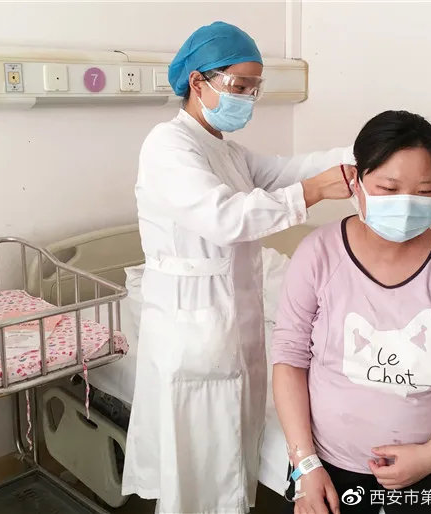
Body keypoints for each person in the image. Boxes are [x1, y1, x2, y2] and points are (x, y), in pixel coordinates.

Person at [122, 21, 356, 514]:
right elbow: (225, 217)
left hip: (232, 326)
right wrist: (314, 192)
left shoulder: (226, 150)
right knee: (198, 468)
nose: (248, 98)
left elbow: (287, 170)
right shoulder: (168, 145)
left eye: (254, 88)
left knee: (227, 458)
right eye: (239, 86)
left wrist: (362, 155)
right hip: (192, 328)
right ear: (198, 81)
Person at [272, 110, 431, 514]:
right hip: (328, 464)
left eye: (425, 191)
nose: (406, 204)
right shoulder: (319, 253)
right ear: (357, 183)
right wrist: (305, 465)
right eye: (388, 188)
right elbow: (290, 358)